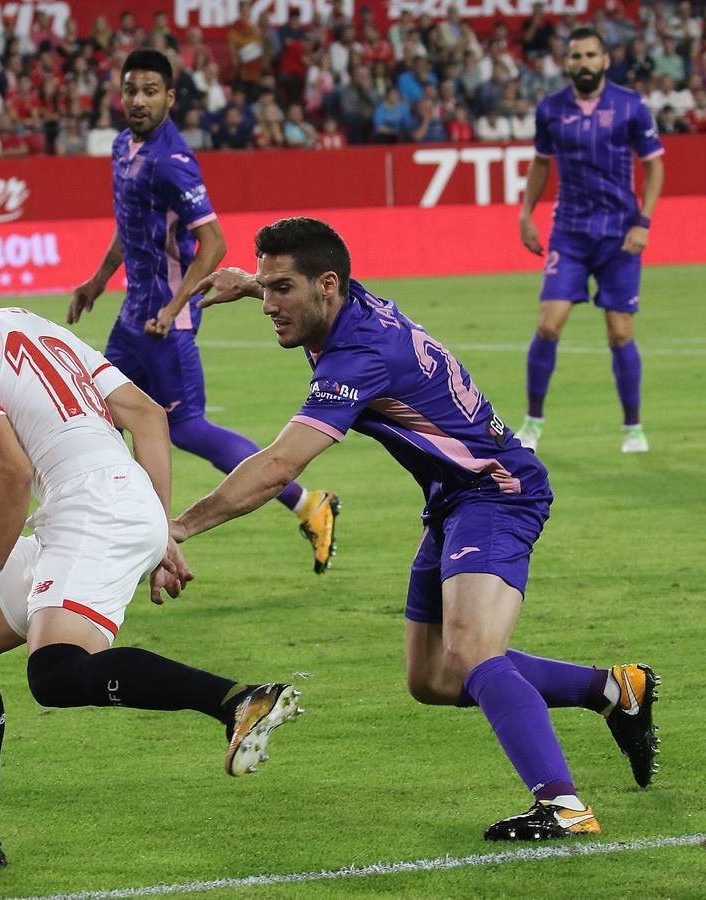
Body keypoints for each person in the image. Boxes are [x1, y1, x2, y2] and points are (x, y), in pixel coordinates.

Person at [175, 216, 660, 841]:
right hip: (454, 498)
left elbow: (279, 466)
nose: (270, 304)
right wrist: (248, 285)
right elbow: (311, 289)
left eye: (280, 290)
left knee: (472, 651)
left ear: (326, 286)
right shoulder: (350, 302)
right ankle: (615, 689)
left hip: (496, 492)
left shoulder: (359, 357)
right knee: (432, 679)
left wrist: (180, 527)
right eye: (266, 288)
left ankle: (564, 808)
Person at [0, 243, 304, 867]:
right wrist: (158, 526)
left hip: (93, 505)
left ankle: (240, 700)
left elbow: (9, 471)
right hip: (106, 498)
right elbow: (147, 418)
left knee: (55, 671)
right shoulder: (23, 322)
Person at [70, 49, 341, 575]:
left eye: (151, 91)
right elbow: (130, 227)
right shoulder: (123, 147)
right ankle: (109, 529)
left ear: (170, 98)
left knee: (186, 428)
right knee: (99, 412)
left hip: (165, 326)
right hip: (132, 318)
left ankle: (310, 504)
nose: (139, 100)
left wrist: (175, 307)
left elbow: (213, 243)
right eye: (131, 90)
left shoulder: (174, 162)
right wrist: (97, 282)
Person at [516, 27, 666, 454]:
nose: (583, 62)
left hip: (620, 235)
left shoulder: (631, 106)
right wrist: (527, 214)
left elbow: (654, 167)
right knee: (549, 323)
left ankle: (633, 428)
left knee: (620, 332)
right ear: (568, 63)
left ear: (604, 60)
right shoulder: (550, 110)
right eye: (576, 55)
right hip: (571, 232)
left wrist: (644, 222)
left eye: (590, 55)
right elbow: (541, 163)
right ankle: (533, 422)